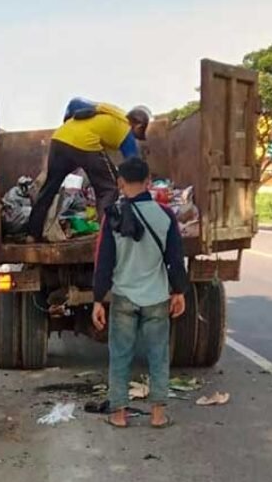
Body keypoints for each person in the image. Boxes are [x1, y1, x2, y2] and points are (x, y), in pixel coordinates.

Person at [92, 157, 187, 428]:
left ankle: (119, 414)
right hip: (157, 297)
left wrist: (98, 299)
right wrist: (179, 292)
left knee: (120, 355)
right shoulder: (165, 215)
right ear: (148, 182)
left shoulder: (112, 216)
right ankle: (158, 415)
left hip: (123, 297)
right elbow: (175, 259)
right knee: (158, 355)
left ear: (120, 183)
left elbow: (104, 262)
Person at [26, 99, 152, 241]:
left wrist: (69, 122)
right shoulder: (126, 131)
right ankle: (106, 236)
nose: (135, 138)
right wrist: (143, 188)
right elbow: (134, 166)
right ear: (139, 125)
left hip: (59, 138)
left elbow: (74, 103)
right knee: (109, 188)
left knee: (49, 187)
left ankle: (32, 234)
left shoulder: (109, 112)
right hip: (85, 143)